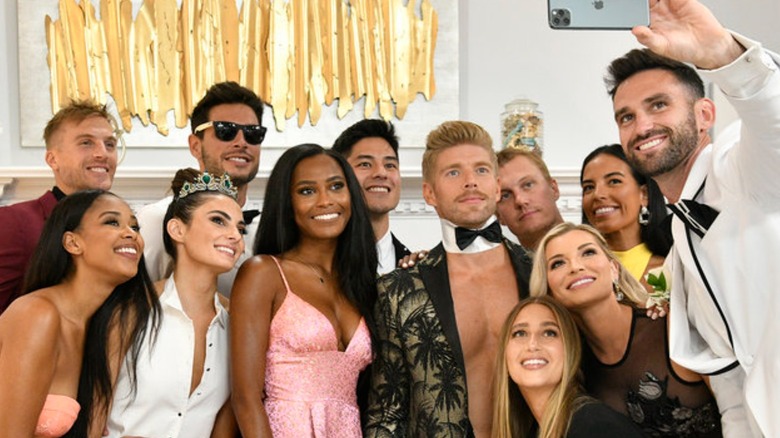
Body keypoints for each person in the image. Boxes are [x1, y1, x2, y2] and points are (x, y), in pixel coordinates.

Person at [604, 0, 780, 434]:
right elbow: (732, 389)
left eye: (659, 105)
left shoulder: (740, 164)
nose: (641, 126)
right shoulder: (679, 241)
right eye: (626, 117)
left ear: (705, 116)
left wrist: (722, 53)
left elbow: (772, 120)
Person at [365, 121, 533, 437]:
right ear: (429, 192)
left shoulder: (543, 273)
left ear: (497, 186)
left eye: (481, 170)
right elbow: (386, 414)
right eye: (453, 173)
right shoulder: (398, 290)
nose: (470, 182)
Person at [230, 144, 378, 437]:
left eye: (336, 186)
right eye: (307, 191)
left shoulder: (364, 285)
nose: (325, 201)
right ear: (286, 201)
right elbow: (246, 399)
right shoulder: (263, 273)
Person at [531, 222, 722, 436]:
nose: (575, 267)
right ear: (548, 289)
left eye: (588, 252)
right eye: (557, 263)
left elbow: (739, 407)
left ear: (614, 268)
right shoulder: (567, 367)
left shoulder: (670, 325)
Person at [0, 190, 159, 437]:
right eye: (112, 222)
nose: (131, 234)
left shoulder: (105, 325)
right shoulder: (38, 314)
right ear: (73, 243)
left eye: (135, 227)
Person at [99, 170, 243, 437]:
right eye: (218, 221)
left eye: (240, 227)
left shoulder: (237, 322)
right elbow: (94, 412)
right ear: (177, 229)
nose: (235, 235)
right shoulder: (131, 308)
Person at [137, 81, 266, 296]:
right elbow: (135, 303)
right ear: (196, 146)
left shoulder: (268, 227)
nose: (242, 142)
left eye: (253, 133)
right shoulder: (156, 219)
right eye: (226, 131)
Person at [0, 100, 120, 313]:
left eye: (109, 144)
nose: (103, 153)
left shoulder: (123, 228)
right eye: (86, 143)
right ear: (52, 159)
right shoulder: (15, 222)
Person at [492, 295, 643, 438]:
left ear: (570, 351)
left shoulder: (597, 427)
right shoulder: (533, 430)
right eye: (520, 333)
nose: (532, 345)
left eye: (549, 333)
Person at [580, 144, 670, 289]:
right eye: (589, 187)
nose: (598, 194)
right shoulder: (576, 272)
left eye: (614, 181)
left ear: (644, 194)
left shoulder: (672, 269)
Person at [332, 119, 412, 275]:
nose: (381, 173)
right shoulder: (312, 265)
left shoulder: (418, 270)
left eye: (390, 165)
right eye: (365, 164)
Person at [496, 147, 563, 252]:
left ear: (554, 189)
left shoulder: (596, 246)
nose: (520, 200)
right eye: (505, 196)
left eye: (528, 185)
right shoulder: (497, 267)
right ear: (498, 215)